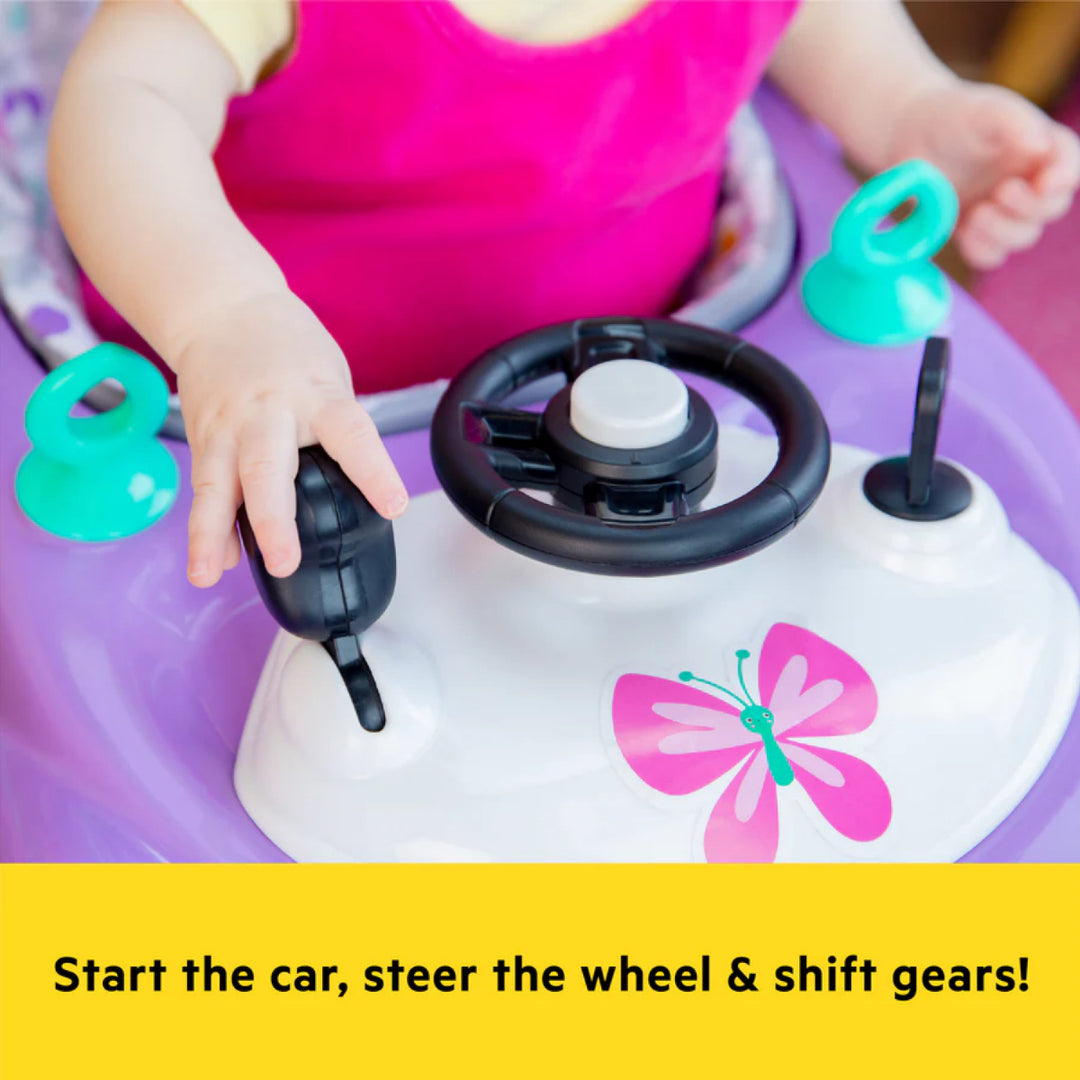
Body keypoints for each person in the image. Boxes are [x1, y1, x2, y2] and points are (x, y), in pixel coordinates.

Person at [48, 1, 1080, 588]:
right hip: (274, 401)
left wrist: (907, 110)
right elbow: (125, 99)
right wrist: (222, 314)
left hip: (656, 400)